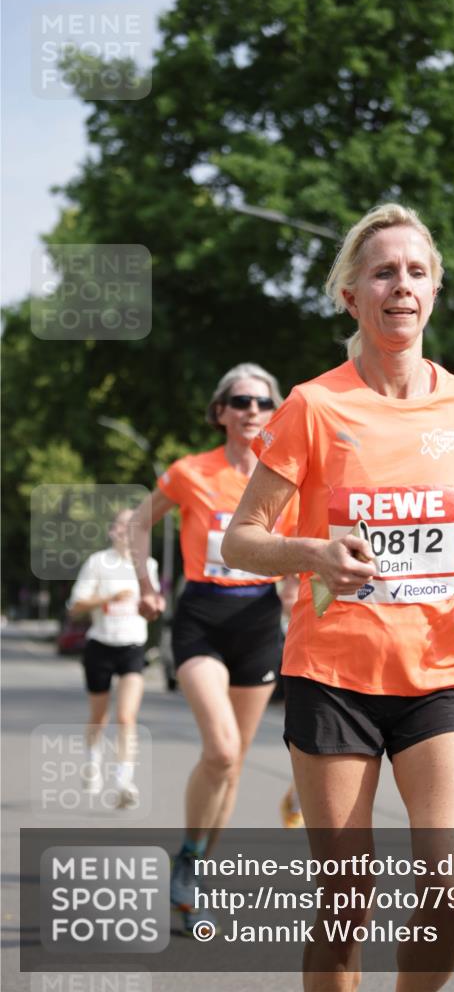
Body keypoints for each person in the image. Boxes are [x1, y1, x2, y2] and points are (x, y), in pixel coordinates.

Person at [223, 204, 454, 991]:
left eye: (416, 271)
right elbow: (241, 537)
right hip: (333, 676)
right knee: (346, 899)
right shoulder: (313, 406)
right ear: (350, 295)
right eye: (382, 271)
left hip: (440, 675)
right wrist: (312, 550)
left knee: (451, 891)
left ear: (434, 291)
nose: (401, 285)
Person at [128, 363, 300, 934]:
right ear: (221, 411)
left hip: (258, 620)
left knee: (235, 765)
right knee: (221, 751)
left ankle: (194, 868)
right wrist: (147, 587)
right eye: (240, 401)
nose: (252, 410)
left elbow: (294, 560)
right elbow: (135, 525)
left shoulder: (284, 480)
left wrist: (301, 597)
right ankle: (188, 859)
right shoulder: (190, 472)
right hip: (201, 616)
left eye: (262, 402)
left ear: (275, 413)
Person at [68, 508, 159, 809]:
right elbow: (75, 606)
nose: (126, 531)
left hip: (133, 646)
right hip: (101, 646)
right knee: (99, 716)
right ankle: (92, 762)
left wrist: (154, 604)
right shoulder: (97, 562)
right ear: (112, 531)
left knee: (126, 717)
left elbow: (155, 602)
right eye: (122, 526)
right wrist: (108, 598)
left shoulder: (148, 565)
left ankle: (123, 781)